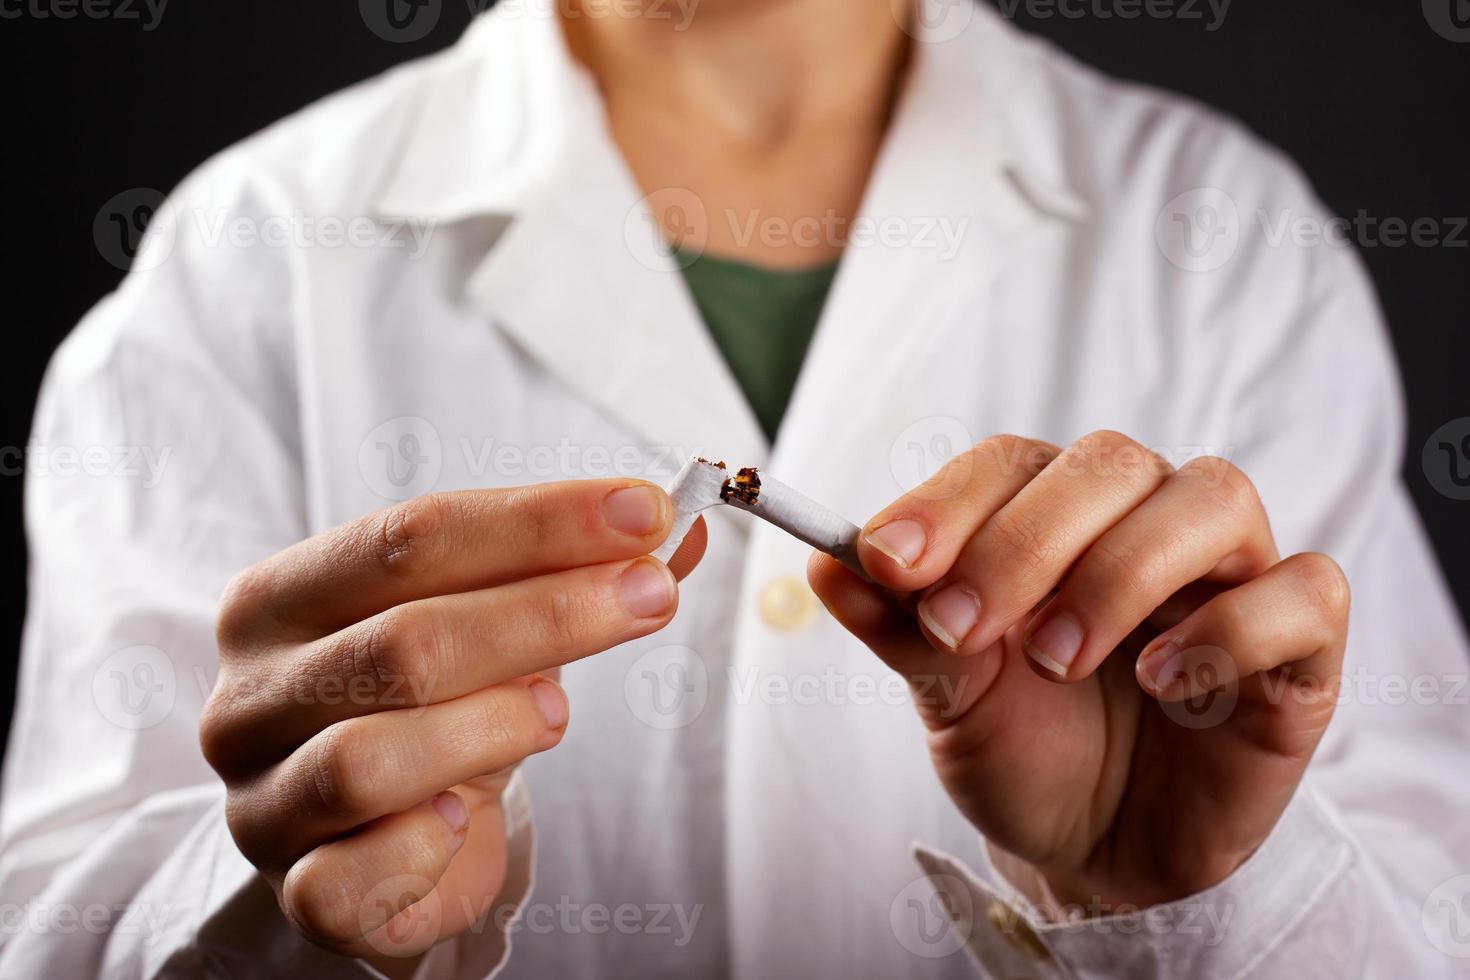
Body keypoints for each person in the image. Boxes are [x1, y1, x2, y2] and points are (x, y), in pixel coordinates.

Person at [3, 0, 1469, 976]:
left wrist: (1189, 911)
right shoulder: (249, 263)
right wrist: (282, 898)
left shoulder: (1223, 249)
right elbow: (55, 924)